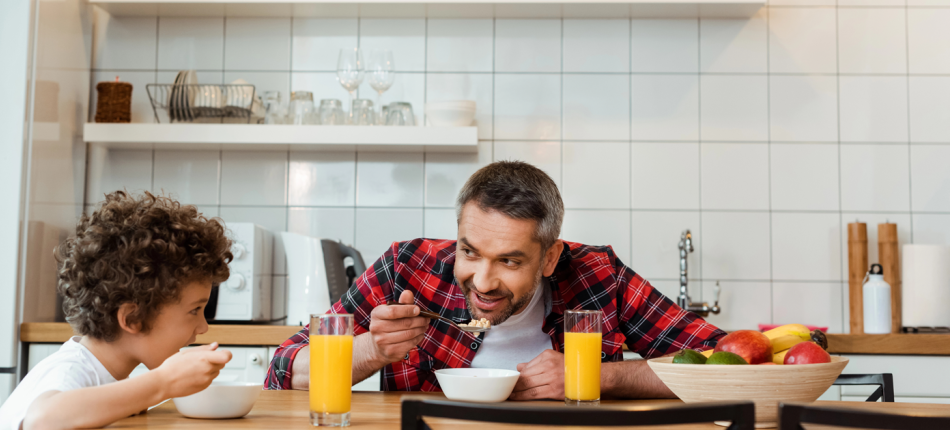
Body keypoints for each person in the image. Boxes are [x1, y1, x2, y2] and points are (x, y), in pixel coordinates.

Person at [267, 161, 726, 400]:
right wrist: (373, 349)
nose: (482, 281)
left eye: (509, 261)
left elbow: (721, 366)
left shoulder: (598, 277)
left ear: (550, 257)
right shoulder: (408, 267)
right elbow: (282, 370)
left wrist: (595, 376)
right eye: (469, 252)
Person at [0, 192, 235, 430]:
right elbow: (42, 421)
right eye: (195, 310)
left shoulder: (107, 376)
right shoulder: (72, 369)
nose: (203, 327)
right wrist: (163, 382)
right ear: (132, 318)